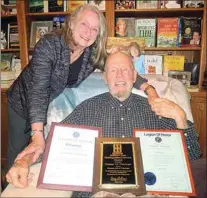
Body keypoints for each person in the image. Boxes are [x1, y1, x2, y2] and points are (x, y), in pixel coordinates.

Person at [6, 52, 201, 197]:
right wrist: (23, 161)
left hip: (146, 191)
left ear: (134, 77)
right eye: (113, 71)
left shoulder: (156, 109)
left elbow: (192, 156)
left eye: (124, 70)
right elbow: (52, 146)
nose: (119, 76)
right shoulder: (87, 109)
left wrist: (181, 117)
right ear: (105, 78)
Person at [6, 4, 159, 173]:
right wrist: (37, 134)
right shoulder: (49, 44)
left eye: (94, 29)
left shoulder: (92, 52)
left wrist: (149, 89)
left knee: (35, 154)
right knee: (17, 154)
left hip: (47, 104)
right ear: (71, 23)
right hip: (21, 102)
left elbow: (119, 69)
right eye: (84, 24)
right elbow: (39, 89)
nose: (88, 32)